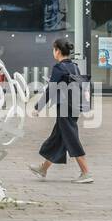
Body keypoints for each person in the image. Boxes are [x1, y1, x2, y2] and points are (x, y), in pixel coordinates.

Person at [29, 38, 93, 183]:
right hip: (75, 107)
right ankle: (43, 169)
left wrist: (38, 107)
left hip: (65, 108)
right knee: (58, 138)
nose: (53, 52)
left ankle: (86, 173)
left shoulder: (59, 68)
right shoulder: (74, 67)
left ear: (57, 51)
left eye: (53, 49)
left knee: (71, 137)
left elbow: (51, 89)